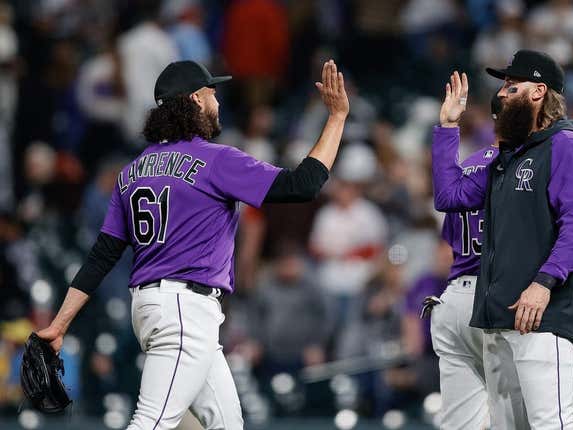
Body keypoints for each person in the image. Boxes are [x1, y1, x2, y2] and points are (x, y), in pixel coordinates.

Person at [35, 59, 349, 430]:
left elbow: (101, 256)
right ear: (197, 100)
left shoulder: (133, 170)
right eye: (212, 93)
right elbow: (303, 186)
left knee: (228, 423)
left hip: (153, 307)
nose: (218, 101)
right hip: (184, 309)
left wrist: (59, 325)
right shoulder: (215, 160)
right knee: (150, 423)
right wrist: (337, 118)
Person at [431, 49, 573, 429]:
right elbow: (450, 197)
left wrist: (544, 283)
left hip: (542, 315)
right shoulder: (506, 156)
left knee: (552, 424)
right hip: (498, 316)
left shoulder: (568, 145)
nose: (502, 93)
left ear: (539, 91)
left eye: (513, 86)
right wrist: (448, 128)